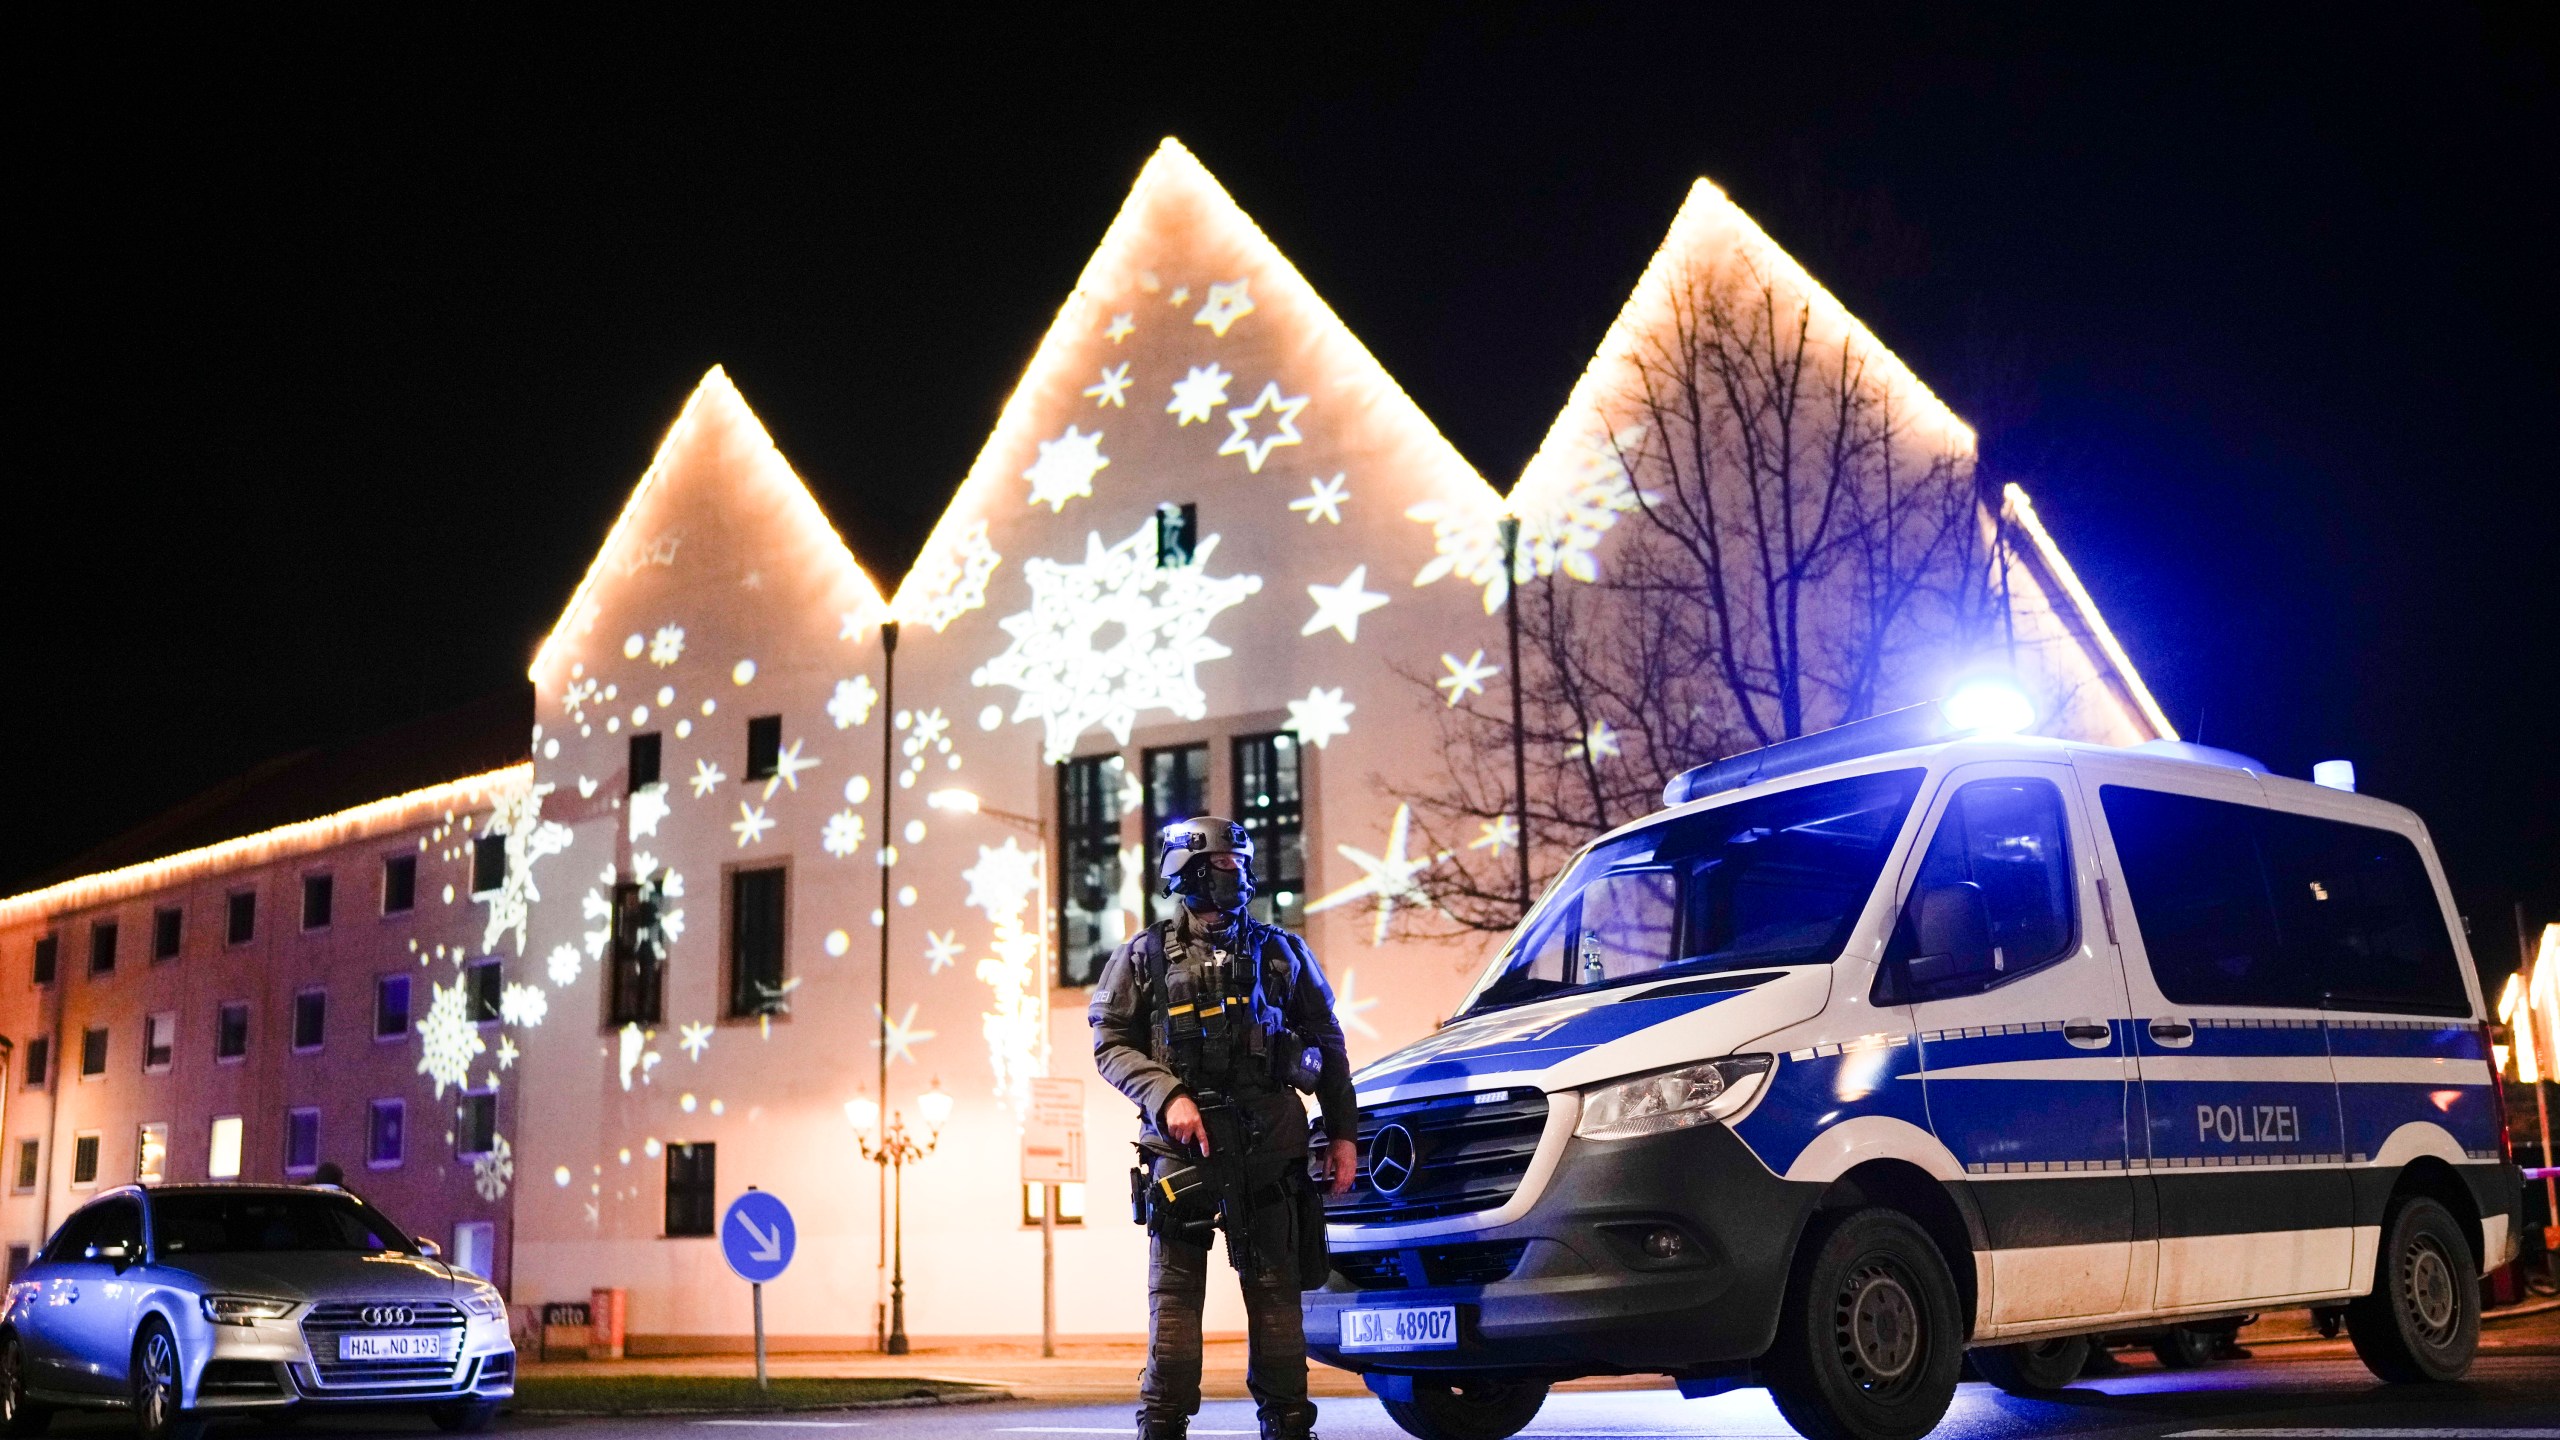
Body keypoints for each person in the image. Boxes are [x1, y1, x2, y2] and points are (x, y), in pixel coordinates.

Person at [1091, 817, 1360, 1440]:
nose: (1236, 875)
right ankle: (1162, 1424)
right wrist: (1168, 1095)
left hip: (1271, 1153)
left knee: (1276, 1306)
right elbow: (1110, 1045)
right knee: (1175, 1310)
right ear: (1187, 873)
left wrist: (1343, 1134)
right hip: (1183, 1153)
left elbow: (1329, 1046)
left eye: (1240, 865)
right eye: (1221, 866)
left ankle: (1289, 1424)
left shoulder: (1280, 951)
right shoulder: (1143, 956)